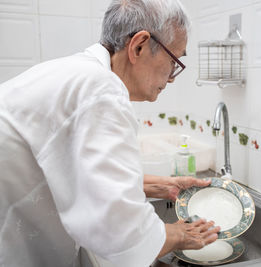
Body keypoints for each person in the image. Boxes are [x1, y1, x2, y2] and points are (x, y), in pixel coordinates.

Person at [0, 0, 220, 266]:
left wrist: (160, 186)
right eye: (174, 61)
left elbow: (82, 175)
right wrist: (175, 234)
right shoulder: (100, 90)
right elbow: (119, 228)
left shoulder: (80, 74)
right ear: (139, 46)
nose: (172, 78)